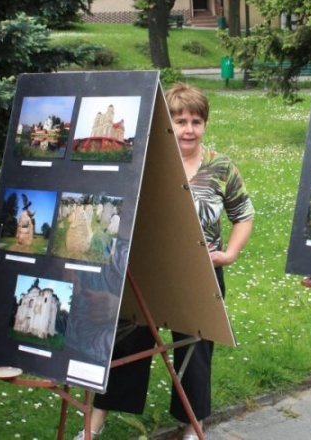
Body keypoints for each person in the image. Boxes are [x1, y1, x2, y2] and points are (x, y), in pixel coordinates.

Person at [76, 82, 254, 440]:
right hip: (145, 274)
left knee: (195, 350)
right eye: (180, 120)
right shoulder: (145, 161)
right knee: (126, 345)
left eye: (196, 121)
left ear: (204, 124)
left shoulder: (221, 167)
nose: (188, 129)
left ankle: (192, 425)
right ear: (167, 124)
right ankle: (93, 424)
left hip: (200, 276)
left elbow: (243, 214)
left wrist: (230, 254)